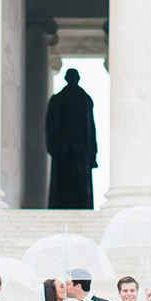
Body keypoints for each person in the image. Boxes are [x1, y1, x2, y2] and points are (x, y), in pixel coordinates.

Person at [45, 69, 98, 209]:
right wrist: (93, 152)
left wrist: (51, 145)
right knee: (70, 180)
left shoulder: (60, 100)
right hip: (74, 147)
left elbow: (90, 127)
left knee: (69, 180)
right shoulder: (83, 99)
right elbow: (90, 128)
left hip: (71, 147)